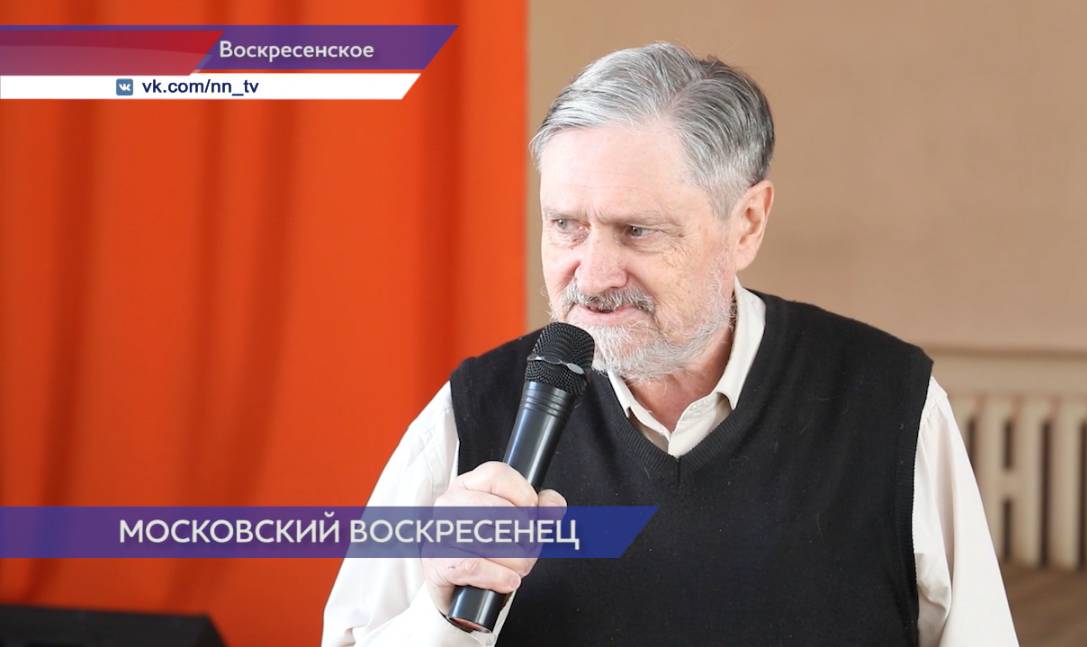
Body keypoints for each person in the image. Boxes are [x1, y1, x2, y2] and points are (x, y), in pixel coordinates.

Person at [322, 42, 1017, 646]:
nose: (591, 276)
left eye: (638, 231)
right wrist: (443, 612)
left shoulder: (888, 403)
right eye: (565, 225)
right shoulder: (473, 413)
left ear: (747, 224)